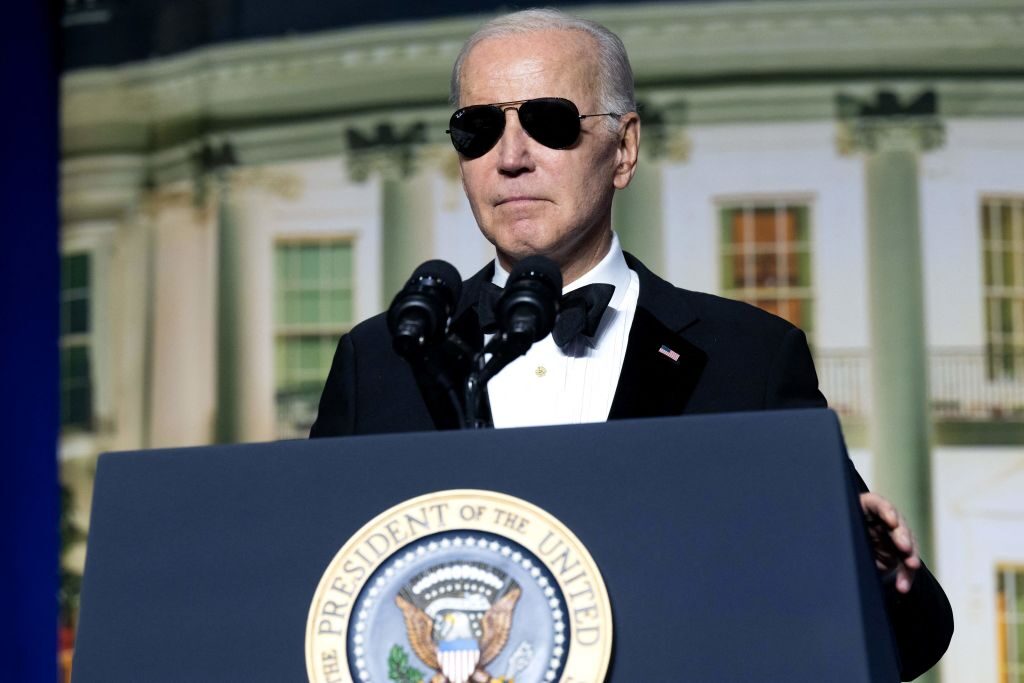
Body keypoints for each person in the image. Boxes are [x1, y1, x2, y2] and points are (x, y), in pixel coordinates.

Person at [311, 8, 952, 679]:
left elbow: (906, 641)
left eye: (549, 120)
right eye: (479, 128)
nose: (510, 156)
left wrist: (877, 575)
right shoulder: (381, 361)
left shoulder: (749, 360)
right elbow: (307, 592)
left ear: (624, 148)